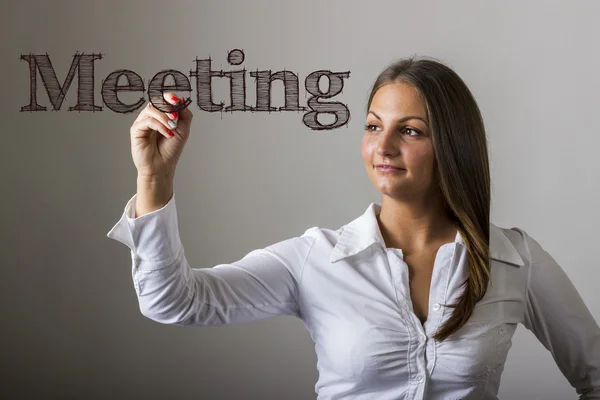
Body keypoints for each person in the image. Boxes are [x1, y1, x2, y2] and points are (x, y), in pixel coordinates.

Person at [107, 56, 600, 399]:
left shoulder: (514, 259)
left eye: (409, 130)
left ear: (453, 145)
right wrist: (155, 176)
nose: (382, 146)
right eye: (372, 126)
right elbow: (173, 302)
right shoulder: (314, 259)